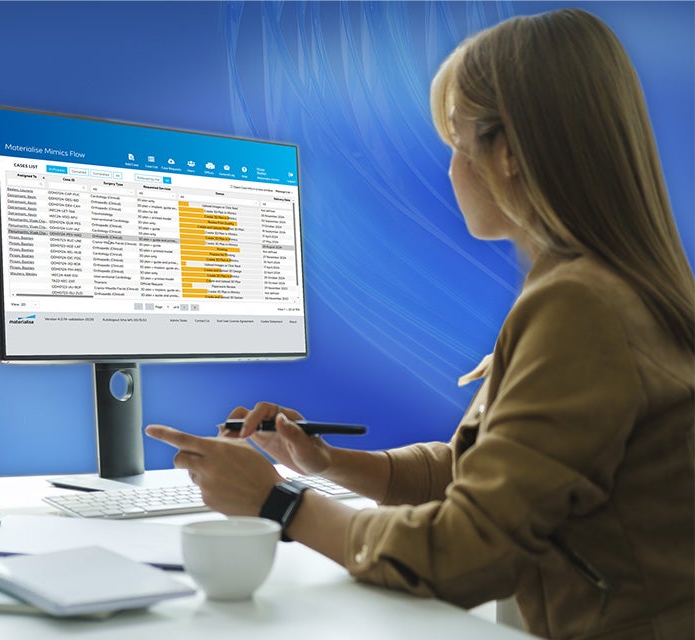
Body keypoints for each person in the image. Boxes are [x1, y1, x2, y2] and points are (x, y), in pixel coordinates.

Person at [147, 9, 694, 639]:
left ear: (510, 154)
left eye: (458, 146)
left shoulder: (581, 310)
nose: (451, 170)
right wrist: (325, 464)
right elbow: (488, 475)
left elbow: (465, 553)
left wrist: (277, 503)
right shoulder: (612, 290)